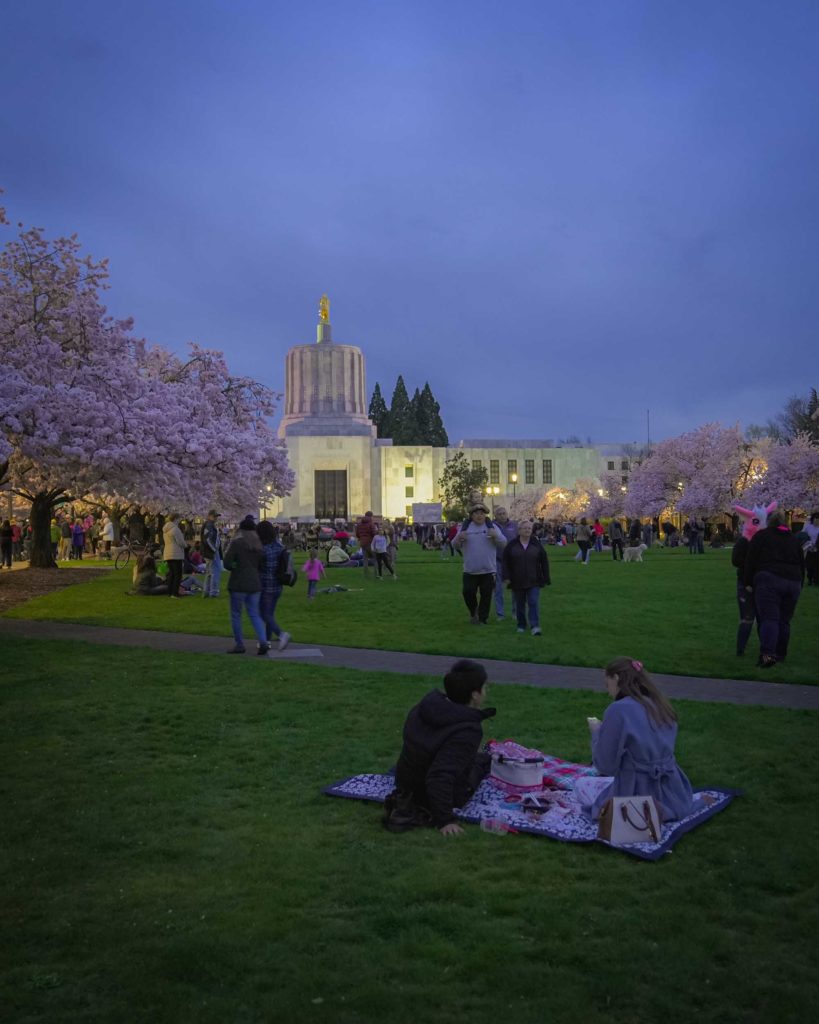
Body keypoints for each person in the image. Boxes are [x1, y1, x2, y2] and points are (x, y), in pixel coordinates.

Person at [384, 659, 497, 836]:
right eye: (484, 687)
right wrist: (446, 820)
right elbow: (440, 776)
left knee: (476, 759)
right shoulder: (468, 729)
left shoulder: (424, 707)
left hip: (406, 783)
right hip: (431, 795)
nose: (486, 691)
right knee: (484, 762)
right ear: (475, 694)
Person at [576, 657, 695, 823]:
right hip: (673, 792)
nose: (608, 690)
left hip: (635, 793)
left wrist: (597, 734)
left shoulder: (618, 710)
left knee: (581, 785)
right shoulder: (661, 704)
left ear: (616, 678)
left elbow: (605, 766)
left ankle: (647, 812)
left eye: (607, 684)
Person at [744, 511, 805, 668]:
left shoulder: (762, 536)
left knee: (769, 619)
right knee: (784, 621)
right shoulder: (793, 539)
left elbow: (751, 559)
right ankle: (781, 654)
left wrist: (748, 582)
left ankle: (768, 655)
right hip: (793, 581)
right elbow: (801, 563)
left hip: (769, 579)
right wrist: (800, 583)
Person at [453, 501, 506, 625]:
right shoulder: (465, 528)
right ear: (471, 515)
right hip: (470, 570)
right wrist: (459, 537)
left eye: (482, 513)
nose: (479, 516)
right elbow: (454, 545)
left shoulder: (492, 527)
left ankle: (482, 619)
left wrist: (495, 536)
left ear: (485, 515)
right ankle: (473, 611)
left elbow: (504, 543)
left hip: (488, 569)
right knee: (467, 592)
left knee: (486, 595)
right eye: (476, 513)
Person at [223, 516, 270, 654]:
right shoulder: (258, 545)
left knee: (236, 614)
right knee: (254, 614)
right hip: (255, 584)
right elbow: (263, 564)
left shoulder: (237, 544)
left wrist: (235, 565)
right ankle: (263, 641)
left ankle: (239, 644)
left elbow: (227, 563)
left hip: (238, 583)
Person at [501, 519, 551, 635]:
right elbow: (505, 561)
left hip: (534, 579)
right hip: (517, 580)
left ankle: (535, 626)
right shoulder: (512, 545)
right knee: (520, 604)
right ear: (519, 531)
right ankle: (521, 625)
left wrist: (546, 577)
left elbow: (544, 561)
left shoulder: (536, 544)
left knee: (533, 602)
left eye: (529, 528)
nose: (527, 530)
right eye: (525, 528)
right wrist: (506, 576)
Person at [257, 520, 291, 651]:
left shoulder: (263, 549)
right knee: (269, 614)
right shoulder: (279, 546)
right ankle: (266, 642)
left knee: (264, 614)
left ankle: (282, 634)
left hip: (266, 585)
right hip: (278, 585)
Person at [492, 507, 517, 619]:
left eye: (504, 513)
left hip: (513, 561)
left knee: (515, 587)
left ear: (507, 514)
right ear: (495, 516)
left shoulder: (514, 526)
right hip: (498, 560)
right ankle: (500, 613)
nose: (502, 515)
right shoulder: (492, 526)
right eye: (499, 514)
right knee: (498, 589)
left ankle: (515, 612)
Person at [200, 510, 223, 598]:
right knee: (214, 572)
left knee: (209, 572)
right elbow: (208, 540)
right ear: (209, 516)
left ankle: (206, 591)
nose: (216, 518)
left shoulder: (209, 525)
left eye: (216, 516)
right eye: (215, 516)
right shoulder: (209, 525)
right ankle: (213, 592)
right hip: (211, 552)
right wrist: (214, 549)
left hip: (209, 551)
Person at [162, 513, 186, 598]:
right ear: (176, 519)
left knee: (171, 574)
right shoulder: (175, 529)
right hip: (176, 554)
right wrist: (185, 545)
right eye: (179, 519)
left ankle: (169, 592)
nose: (180, 520)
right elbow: (181, 542)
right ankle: (175, 593)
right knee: (177, 574)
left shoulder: (166, 529)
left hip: (168, 553)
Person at [355, 511, 378, 576]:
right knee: (375, 558)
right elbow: (373, 533)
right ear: (371, 516)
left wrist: (361, 538)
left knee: (365, 559)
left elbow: (357, 534)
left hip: (362, 543)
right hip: (370, 543)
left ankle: (365, 573)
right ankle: (376, 573)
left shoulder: (359, 524)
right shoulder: (371, 523)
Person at [804, 512, 819, 586]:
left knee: (817, 566)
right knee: (809, 566)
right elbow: (803, 536)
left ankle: (816, 581)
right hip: (809, 549)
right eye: (816, 519)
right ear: (813, 519)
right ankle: (809, 579)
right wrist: (808, 543)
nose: (817, 521)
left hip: (818, 550)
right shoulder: (808, 527)